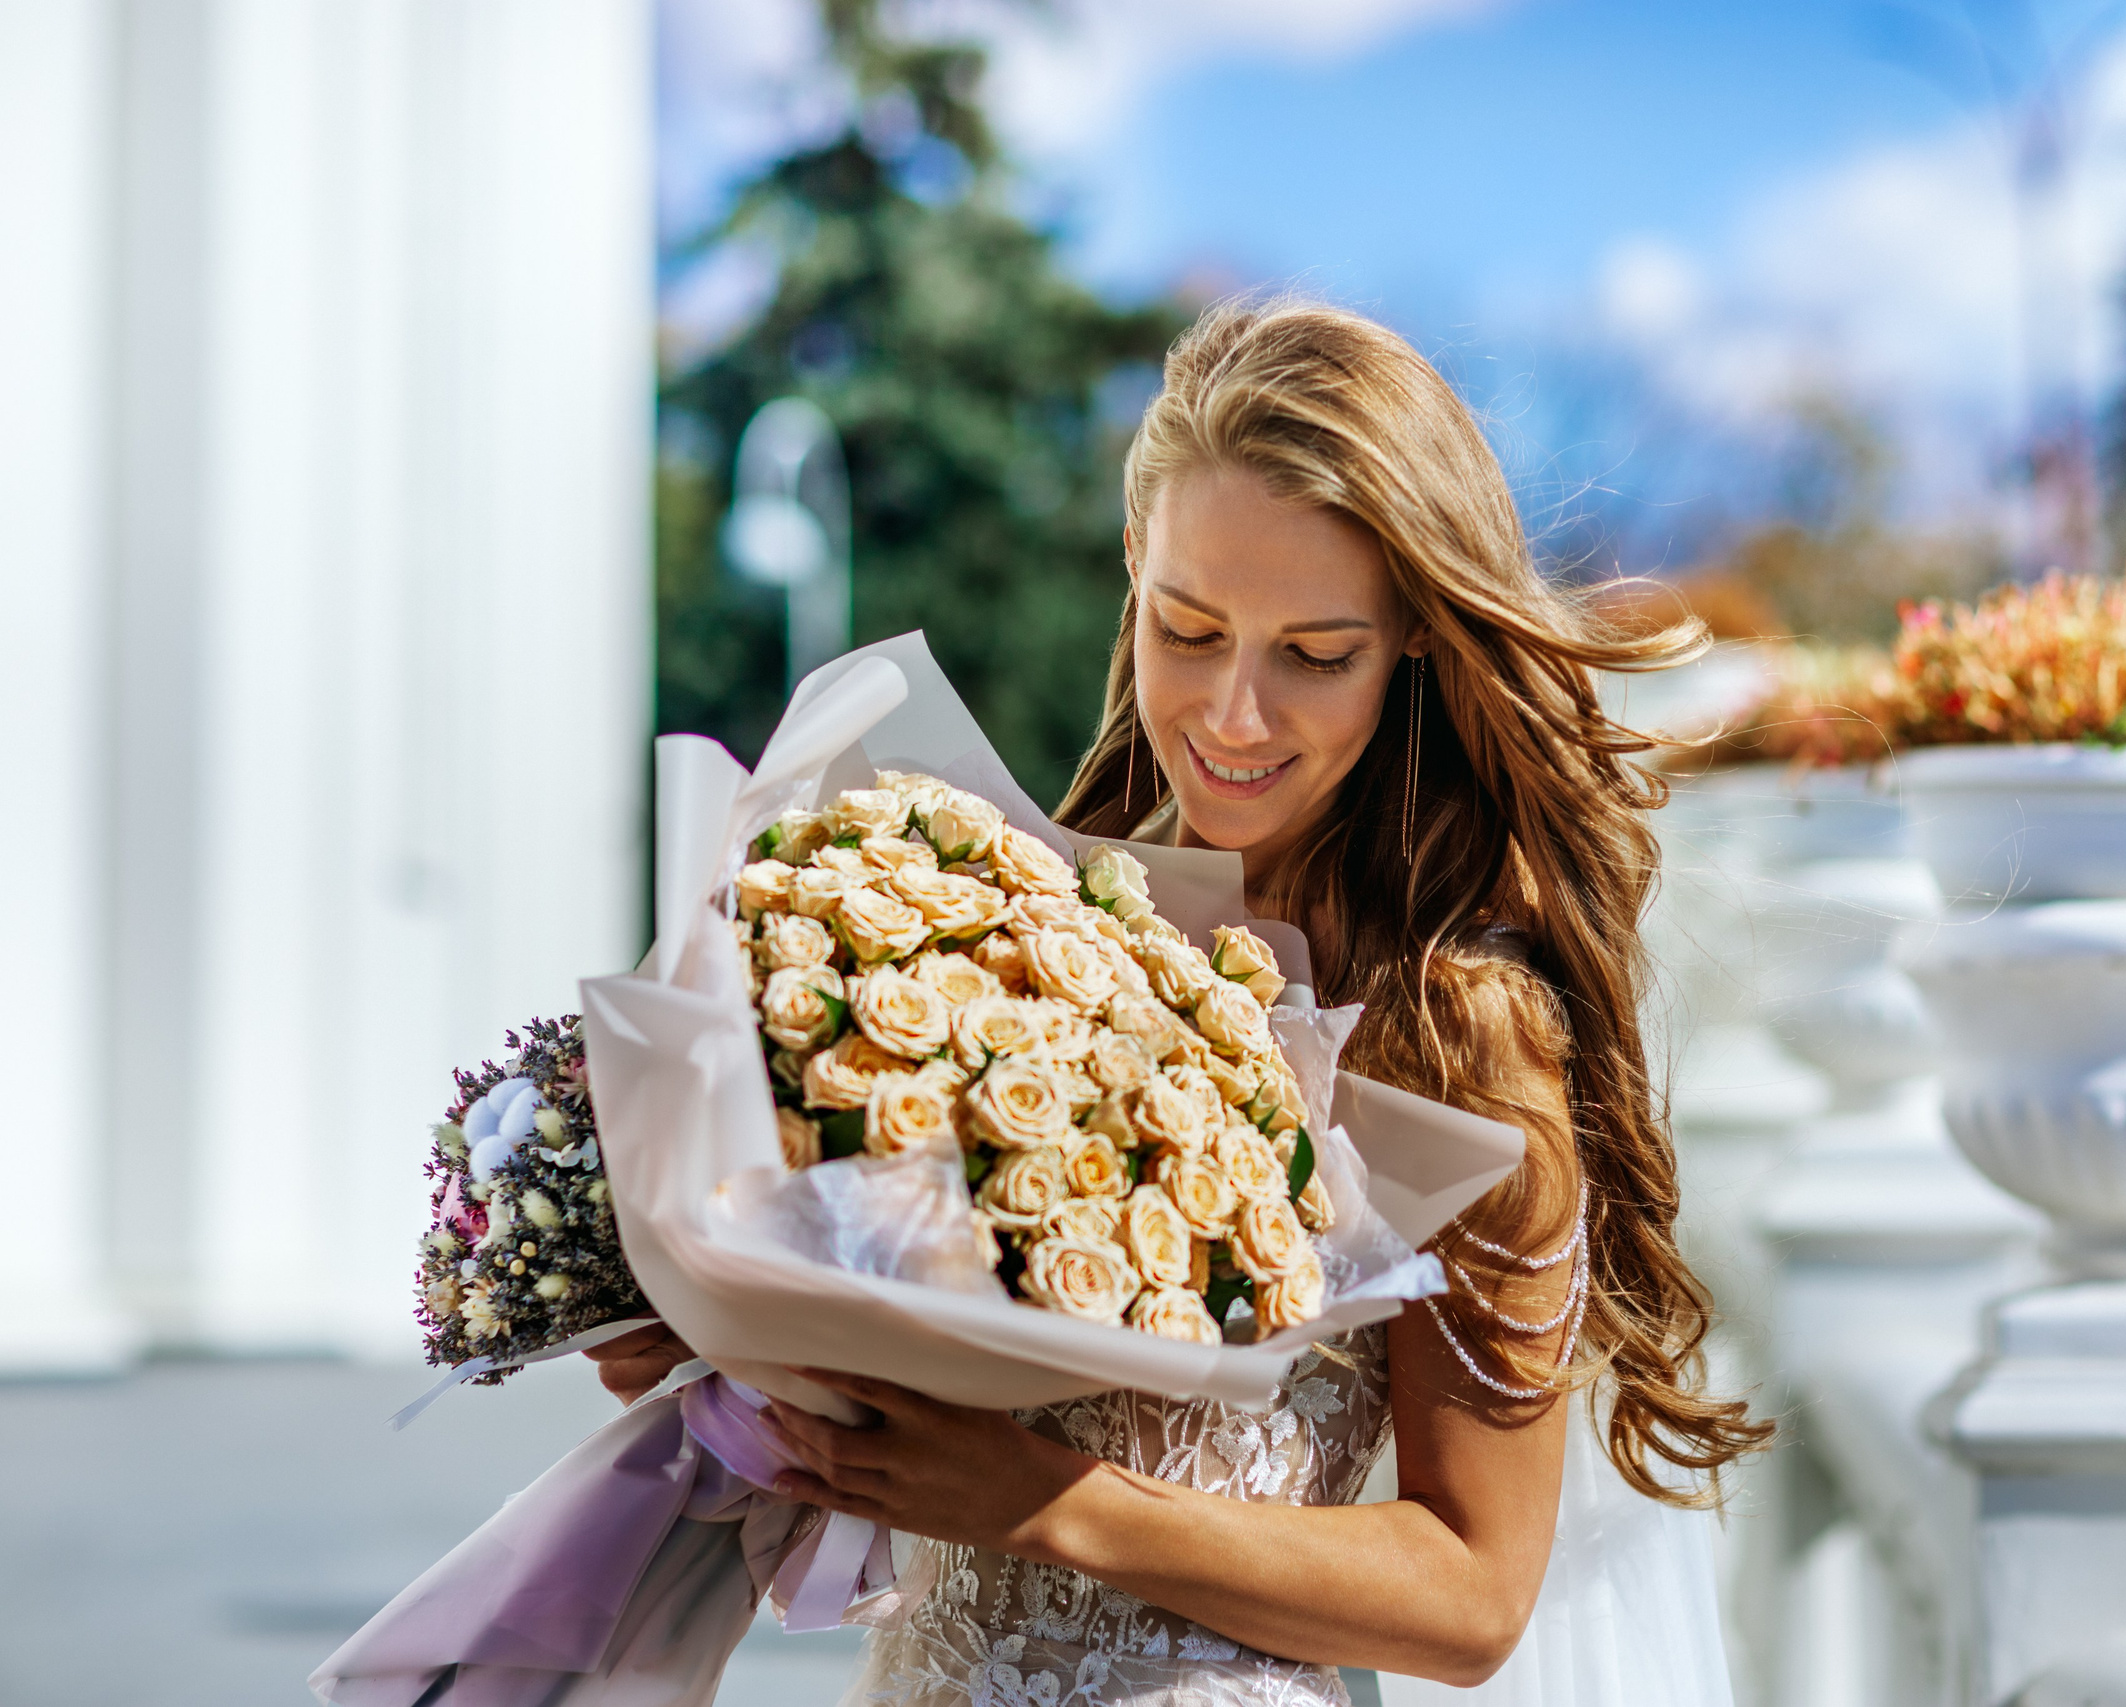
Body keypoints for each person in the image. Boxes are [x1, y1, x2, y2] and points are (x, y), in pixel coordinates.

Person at [591, 297, 1767, 1705]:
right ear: (1134, 562)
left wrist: (1047, 1501)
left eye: (1314, 653)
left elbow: (1474, 1594)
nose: (1235, 714)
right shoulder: (1007, 924)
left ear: (1411, 641)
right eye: (1190, 627)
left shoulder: (1458, 1030)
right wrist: (716, 1324)